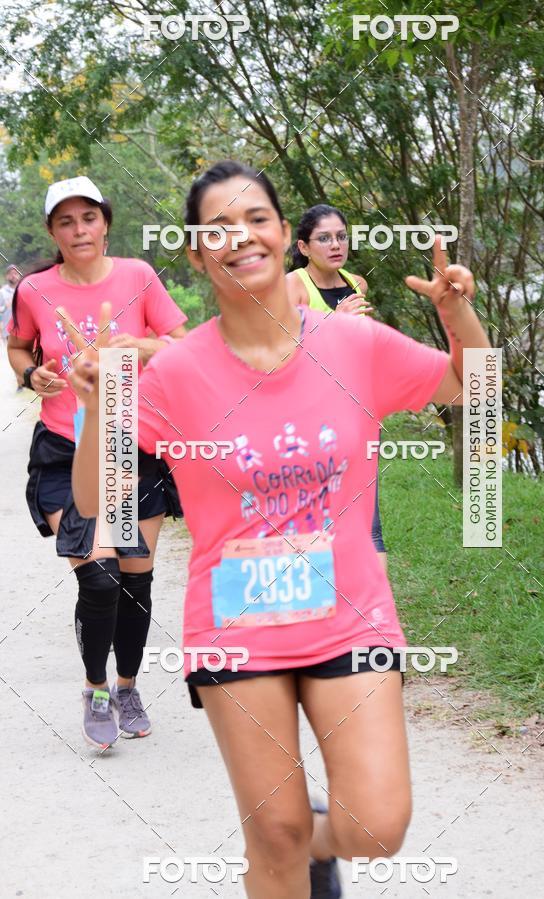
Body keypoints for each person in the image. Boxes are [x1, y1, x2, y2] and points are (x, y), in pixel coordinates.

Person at [68, 161, 490, 898]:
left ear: (284, 236)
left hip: (350, 612)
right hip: (238, 623)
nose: (241, 238)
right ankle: (287, 850)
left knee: (377, 825)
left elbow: (474, 392)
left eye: (256, 219)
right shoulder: (173, 372)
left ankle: (309, 842)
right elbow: (100, 501)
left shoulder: (355, 344)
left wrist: (458, 315)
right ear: (196, 253)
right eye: (217, 229)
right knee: (275, 833)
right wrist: (102, 407)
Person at [7, 175, 188, 749]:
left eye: (88, 217)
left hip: (136, 447)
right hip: (67, 450)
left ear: (105, 222)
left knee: (136, 580)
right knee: (101, 575)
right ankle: (97, 688)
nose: (79, 230)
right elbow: (18, 345)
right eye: (66, 221)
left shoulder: (138, 277)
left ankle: (129, 684)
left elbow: (182, 343)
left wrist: (139, 347)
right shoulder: (35, 290)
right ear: (53, 232)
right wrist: (29, 373)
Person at [286, 205, 387, 571]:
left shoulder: (357, 283)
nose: (335, 245)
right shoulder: (293, 286)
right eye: (324, 238)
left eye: (341, 236)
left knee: (367, 523)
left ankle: (373, 618)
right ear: (304, 246)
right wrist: (334, 321)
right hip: (308, 420)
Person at [0, 263, 19, 343]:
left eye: (15, 273)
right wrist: (5, 307)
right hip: (8, 332)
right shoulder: (2, 292)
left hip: (23, 332)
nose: (13, 275)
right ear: (7, 276)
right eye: (10, 274)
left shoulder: (23, 290)